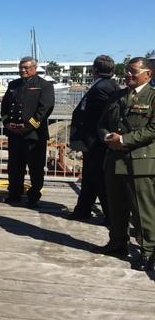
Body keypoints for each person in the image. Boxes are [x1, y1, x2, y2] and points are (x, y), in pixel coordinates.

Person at [96, 57, 155, 270]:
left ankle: (148, 250)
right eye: (127, 71)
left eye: (133, 71)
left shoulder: (152, 97)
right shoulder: (117, 96)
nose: (128, 74)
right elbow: (102, 123)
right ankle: (118, 242)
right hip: (114, 160)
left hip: (140, 162)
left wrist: (123, 140)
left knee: (142, 209)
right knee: (116, 205)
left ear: (148, 74)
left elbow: (152, 130)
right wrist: (106, 137)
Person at [68, 55, 119, 222]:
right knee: (90, 178)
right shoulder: (104, 85)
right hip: (91, 141)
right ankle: (82, 210)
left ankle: (111, 216)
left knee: (99, 179)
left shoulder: (103, 88)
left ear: (95, 69)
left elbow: (108, 116)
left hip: (96, 141)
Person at [1, 56, 55, 208]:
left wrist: (28, 126)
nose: (22, 70)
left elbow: (45, 109)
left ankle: (34, 196)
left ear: (34, 68)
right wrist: (7, 123)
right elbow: (5, 107)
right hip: (14, 133)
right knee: (14, 166)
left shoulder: (44, 86)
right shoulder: (13, 85)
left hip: (34, 134)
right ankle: (14, 194)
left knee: (35, 167)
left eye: (26, 67)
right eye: (21, 67)